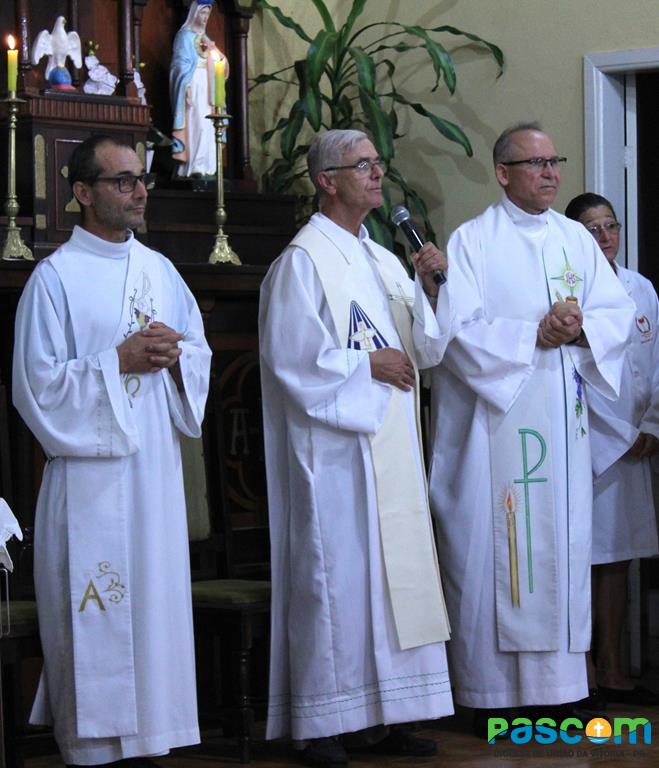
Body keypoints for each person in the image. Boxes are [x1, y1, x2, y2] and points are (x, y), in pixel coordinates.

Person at [426, 123, 635, 735]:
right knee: (502, 552)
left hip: (561, 427)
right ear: (502, 173)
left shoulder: (575, 238)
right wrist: (530, 335)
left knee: (560, 549)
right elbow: (454, 331)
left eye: (554, 161)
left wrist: (580, 327)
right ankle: (491, 693)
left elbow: (615, 312)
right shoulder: (473, 242)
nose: (549, 173)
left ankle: (562, 690)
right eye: (535, 163)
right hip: (500, 427)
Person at [13, 135, 211, 765]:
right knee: (92, 616)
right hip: (88, 481)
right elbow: (34, 388)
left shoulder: (160, 270)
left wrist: (177, 360)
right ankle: (94, 750)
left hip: (152, 474)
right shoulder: (53, 279)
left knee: (152, 613)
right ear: (82, 193)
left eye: (140, 179)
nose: (139, 190)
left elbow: (198, 353)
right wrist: (115, 362)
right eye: (122, 181)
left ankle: (154, 741)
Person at [259, 129, 454, 767]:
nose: (377, 174)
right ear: (326, 179)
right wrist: (365, 367)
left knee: (392, 583)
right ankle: (322, 723)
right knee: (337, 583)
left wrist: (429, 289)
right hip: (335, 455)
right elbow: (291, 361)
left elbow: (423, 351)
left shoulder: (383, 258)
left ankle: (390, 711)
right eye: (362, 165)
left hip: (390, 443)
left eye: (377, 164)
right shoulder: (302, 262)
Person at [565, 192, 659, 706]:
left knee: (620, 559)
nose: (605, 237)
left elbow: (654, 367)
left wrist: (652, 425)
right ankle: (583, 675)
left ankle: (616, 668)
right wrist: (618, 432)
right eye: (593, 229)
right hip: (590, 443)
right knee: (581, 558)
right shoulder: (568, 292)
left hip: (635, 445)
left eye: (611, 226)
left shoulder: (641, 289)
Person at [169, 0, 228, 177]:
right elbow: (178, 65)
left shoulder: (206, 39)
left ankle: (209, 167)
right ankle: (194, 166)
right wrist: (185, 85)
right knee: (197, 125)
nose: (205, 17)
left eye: (208, 14)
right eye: (202, 13)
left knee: (209, 126)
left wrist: (218, 58)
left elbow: (221, 63)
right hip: (193, 86)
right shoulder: (184, 36)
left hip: (208, 88)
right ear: (195, 13)